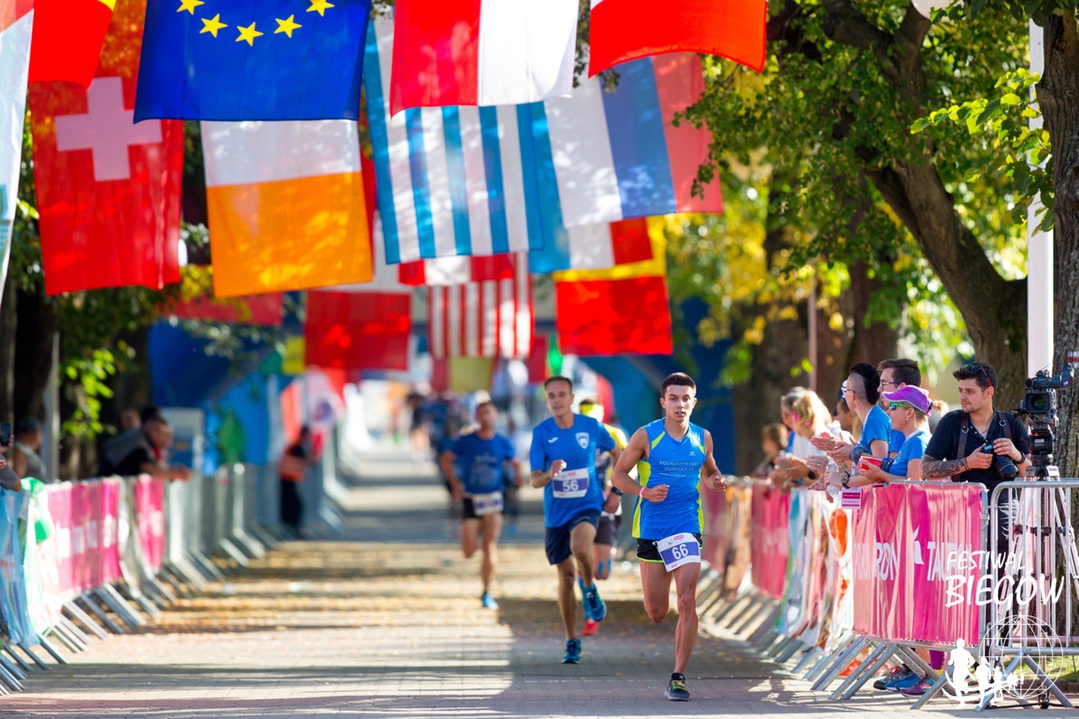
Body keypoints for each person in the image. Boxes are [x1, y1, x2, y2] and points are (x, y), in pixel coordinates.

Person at [611, 372, 725, 701]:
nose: (680, 404)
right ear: (663, 402)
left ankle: (678, 676)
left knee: (687, 599)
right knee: (656, 611)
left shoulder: (702, 437)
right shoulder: (646, 435)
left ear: (694, 402)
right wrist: (643, 491)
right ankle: (669, 645)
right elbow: (618, 475)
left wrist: (716, 480)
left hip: (686, 525)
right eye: (673, 398)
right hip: (652, 529)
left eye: (686, 398)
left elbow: (710, 471)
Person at [530, 376, 620, 665]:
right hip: (556, 512)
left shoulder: (591, 427)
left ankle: (590, 589)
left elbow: (618, 453)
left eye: (562, 395)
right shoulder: (541, 433)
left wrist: (615, 490)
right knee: (566, 577)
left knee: (581, 548)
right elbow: (534, 480)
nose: (557, 400)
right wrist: (550, 474)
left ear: (571, 398)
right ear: (547, 400)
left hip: (587, 503)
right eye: (551, 396)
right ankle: (572, 640)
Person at [439, 401, 522, 609]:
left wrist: (518, 477)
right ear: (476, 417)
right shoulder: (466, 441)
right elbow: (445, 459)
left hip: (494, 498)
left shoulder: (502, 441)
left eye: (489, 413)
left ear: (495, 416)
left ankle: (487, 591)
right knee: (468, 552)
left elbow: (515, 461)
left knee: (489, 546)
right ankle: (473, 535)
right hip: (471, 498)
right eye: (481, 413)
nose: (485, 417)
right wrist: (455, 484)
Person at [577, 397, 630, 637]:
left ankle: (593, 590)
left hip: (607, 506)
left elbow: (629, 464)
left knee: (603, 571)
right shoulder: (573, 436)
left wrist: (615, 488)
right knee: (583, 560)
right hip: (581, 507)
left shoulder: (615, 435)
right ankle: (591, 613)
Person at [832, 385, 932, 488]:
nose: (888, 412)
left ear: (909, 413)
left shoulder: (918, 441)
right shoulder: (911, 440)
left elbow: (914, 485)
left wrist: (881, 475)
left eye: (893, 406)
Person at [100, 414, 191, 481]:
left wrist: (172, 472)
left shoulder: (143, 440)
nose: (161, 437)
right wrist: (176, 474)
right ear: (148, 427)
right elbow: (150, 469)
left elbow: (155, 464)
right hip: (105, 483)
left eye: (165, 435)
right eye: (158, 431)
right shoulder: (138, 443)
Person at [279, 426, 313, 538]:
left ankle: (292, 527)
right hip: (286, 479)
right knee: (294, 505)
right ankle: (291, 528)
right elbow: (309, 459)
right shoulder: (296, 446)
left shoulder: (295, 445)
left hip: (289, 480)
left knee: (293, 504)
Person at [11, 417, 48, 482]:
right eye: (39, 432)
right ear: (32, 433)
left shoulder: (26, 450)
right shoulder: (19, 450)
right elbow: (17, 478)